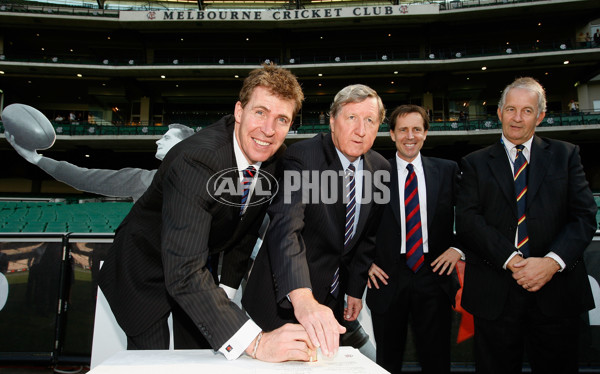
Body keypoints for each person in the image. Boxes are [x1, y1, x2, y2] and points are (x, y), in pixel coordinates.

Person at [98, 64, 316, 362]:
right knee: (152, 361)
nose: (268, 130)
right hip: (143, 267)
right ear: (239, 111)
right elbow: (183, 272)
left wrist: (226, 287)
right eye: (260, 112)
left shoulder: (273, 159)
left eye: (281, 119)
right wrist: (256, 342)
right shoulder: (197, 159)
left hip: (195, 267)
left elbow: (244, 227)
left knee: (203, 355)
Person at [456, 77, 597, 374]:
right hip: (495, 295)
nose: (517, 118)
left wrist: (550, 262)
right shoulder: (474, 163)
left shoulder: (566, 155)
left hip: (556, 292)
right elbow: (469, 221)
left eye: (526, 111)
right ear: (498, 112)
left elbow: (583, 216)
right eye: (510, 109)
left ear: (541, 115)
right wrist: (512, 260)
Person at [242, 84, 389, 358]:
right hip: (282, 299)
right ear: (332, 120)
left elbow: (367, 237)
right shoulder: (304, 157)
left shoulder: (381, 168)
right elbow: (286, 228)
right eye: (351, 118)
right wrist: (302, 297)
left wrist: (355, 290)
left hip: (331, 302)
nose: (361, 130)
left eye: (370, 120)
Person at [366, 105, 463, 374]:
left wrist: (458, 248)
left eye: (417, 129)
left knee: (436, 358)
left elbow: (473, 215)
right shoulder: (375, 173)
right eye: (403, 130)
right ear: (392, 134)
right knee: (387, 360)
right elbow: (358, 224)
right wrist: (366, 261)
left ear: (426, 133)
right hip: (386, 276)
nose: (410, 136)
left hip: (434, 274)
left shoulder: (447, 170)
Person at [5, 123, 194, 202]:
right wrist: (36, 159)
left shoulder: (214, 182)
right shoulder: (141, 179)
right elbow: (84, 177)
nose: (157, 141)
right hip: (150, 270)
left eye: (167, 138)